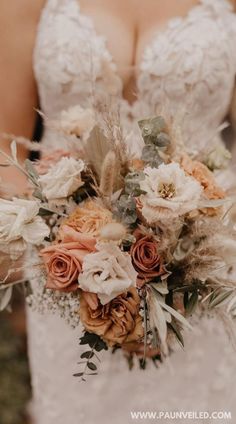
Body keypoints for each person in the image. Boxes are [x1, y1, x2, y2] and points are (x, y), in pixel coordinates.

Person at [1, 1, 236, 423]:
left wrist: (195, 260)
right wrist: (66, 249)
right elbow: (6, 151)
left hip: (210, 275)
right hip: (66, 275)